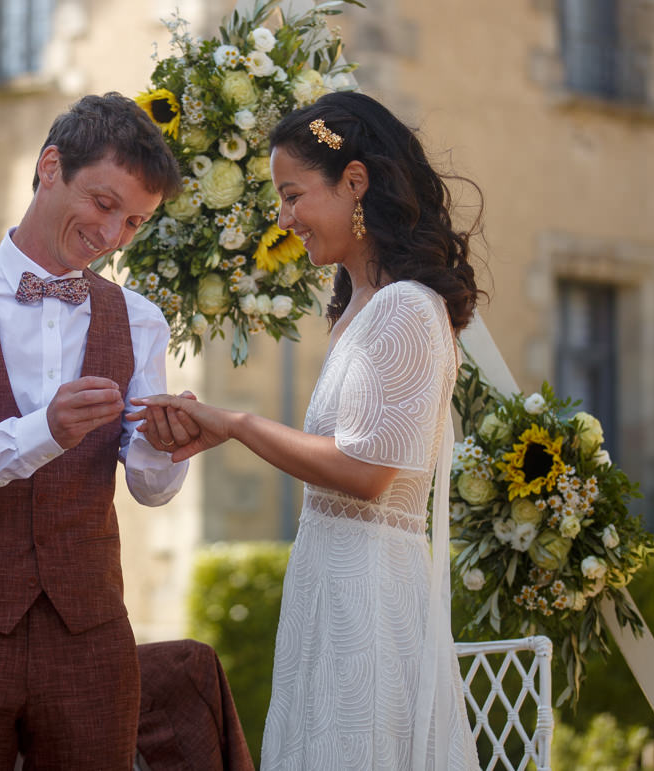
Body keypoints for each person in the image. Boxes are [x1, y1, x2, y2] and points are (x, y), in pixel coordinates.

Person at [132, 90, 484, 770]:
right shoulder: (357, 307)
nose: (284, 217)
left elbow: (366, 473)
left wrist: (237, 422)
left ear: (355, 182)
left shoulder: (408, 309)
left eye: (293, 195)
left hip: (371, 598)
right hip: (331, 581)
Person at [0, 92, 200, 770]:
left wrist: (166, 451)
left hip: (91, 633)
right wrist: (41, 432)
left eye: (134, 222)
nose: (112, 237)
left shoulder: (139, 320)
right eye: (104, 204)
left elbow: (146, 484)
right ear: (50, 166)